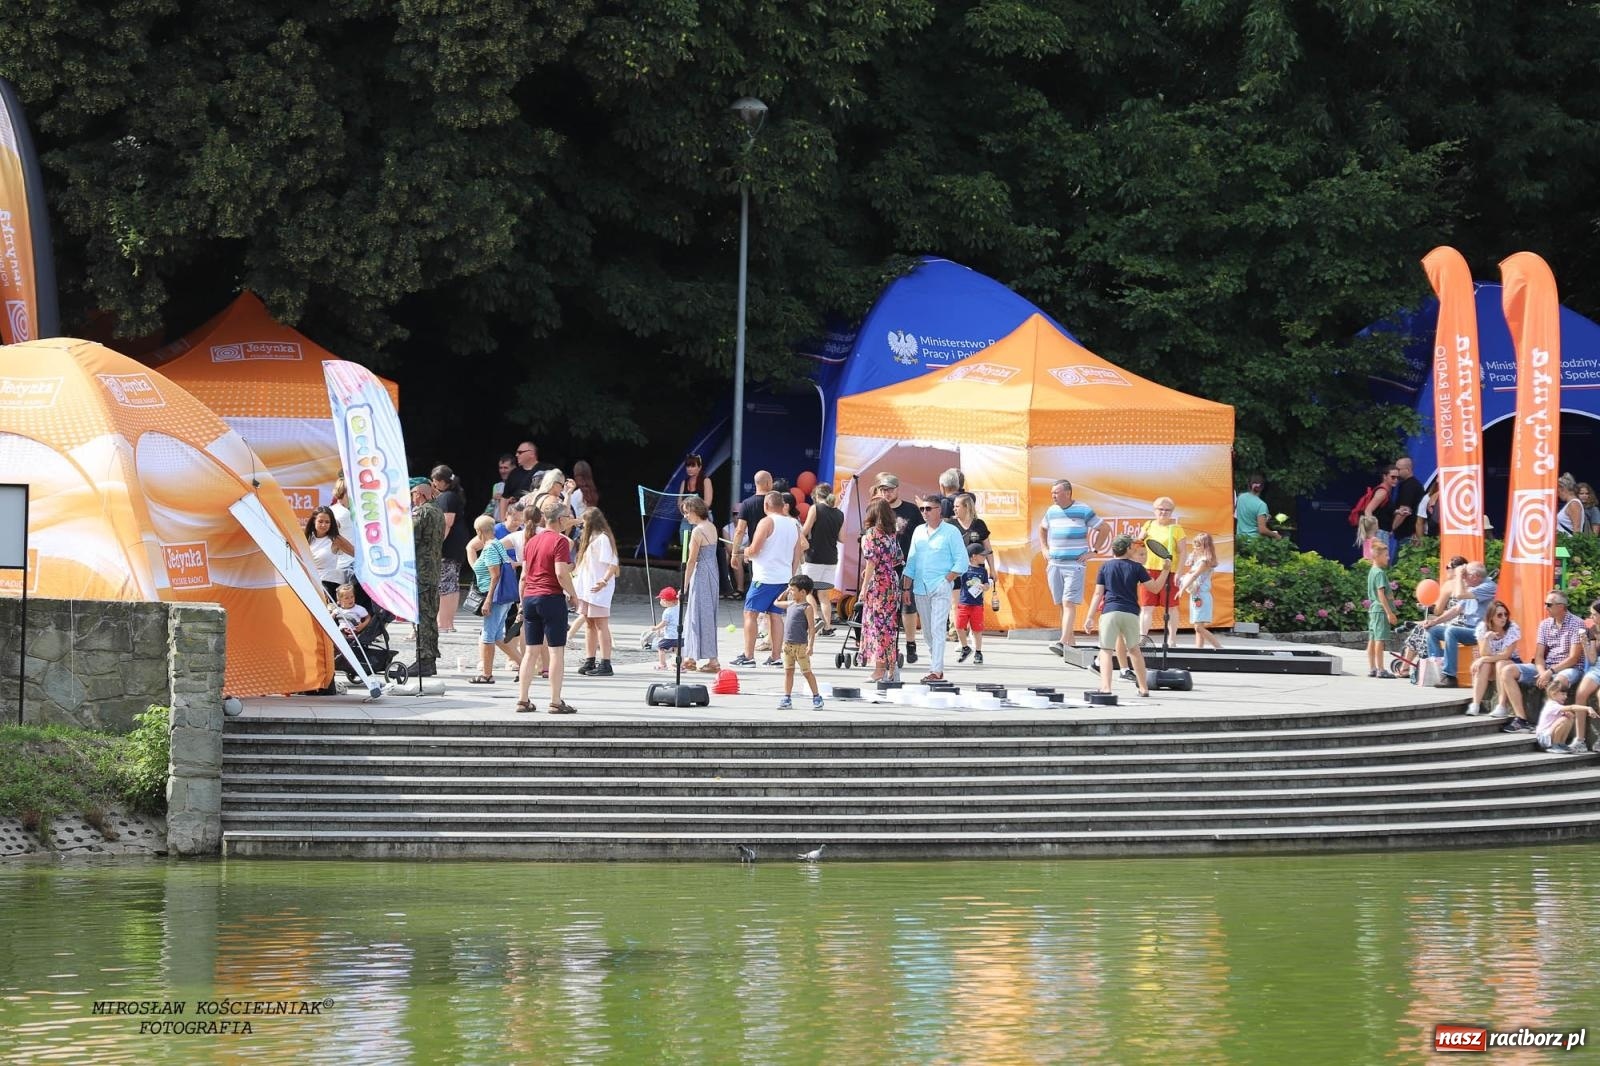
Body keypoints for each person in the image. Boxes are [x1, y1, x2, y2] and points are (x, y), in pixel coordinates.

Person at [1084, 535, 1170, 697]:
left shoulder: (1105, 566)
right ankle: (1143, 688)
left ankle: (1106, 687)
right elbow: (1155, 588)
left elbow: (1097, 594)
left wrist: (1089, 617)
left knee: (1106, 651)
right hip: (1130, 613)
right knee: (1134, 650)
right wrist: (1165, 570)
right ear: (1129, 549)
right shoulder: (1137, 568)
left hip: (1110, 612)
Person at [516, 499, 580, 714]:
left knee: (531, 652)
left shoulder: (531, 541)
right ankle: (555, 700)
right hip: (550, 597)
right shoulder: (560, 541)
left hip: (530, 598)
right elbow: (561, 572)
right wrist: (573, 594)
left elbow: (524, 576)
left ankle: (523, 699)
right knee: (555, 652)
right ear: (561, 519)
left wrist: (522, 602)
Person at [1493, 590, 1587, 732]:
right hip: (1547, 667)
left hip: (1569, 668)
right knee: (1507, 671)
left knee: (1558, 682)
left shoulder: (1577, 624)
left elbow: (1574, 658)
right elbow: (1539, 655)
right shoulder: (1545, 624)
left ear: (1561, 606)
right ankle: (1521, 719)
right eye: (1545, 604)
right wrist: (1542, 671)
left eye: (1549, 604)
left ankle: (1551, 727)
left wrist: (1550, 672)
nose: (1546, 607)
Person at [732, 490, 805, 667]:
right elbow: (797, 554)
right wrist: (791, 575)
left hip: (765, 577)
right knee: (776, 615)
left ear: (766, 505)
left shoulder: (766, 522)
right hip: (784, 576)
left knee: (750, 613)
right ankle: (775, 656)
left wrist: (745, 552)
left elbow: (755, 549)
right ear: (783, 505)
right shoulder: (794, 524)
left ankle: (748, 656)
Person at [902, 493, 966, 683]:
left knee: (938, 629)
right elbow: (911, 562)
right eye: (922, 509)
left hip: (940, 586)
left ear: (940, 510)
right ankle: (935, 663)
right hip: (920, 588)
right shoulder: (918, 531)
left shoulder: (951, 532)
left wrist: (947, 579)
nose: (924, 512)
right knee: (928, 632)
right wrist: (906, 588)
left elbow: (961, 560)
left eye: (928, 508)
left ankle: (936, 670)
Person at [1039, 479, 1104, 654]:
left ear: (1068, 493)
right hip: (1054, 564)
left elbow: (1104, 529)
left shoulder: (1083, 509)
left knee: (1068, 602)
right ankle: (1070, 642)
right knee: (1061, 603)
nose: (1053, 496)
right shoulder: (1051, 511)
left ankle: (1061, 641)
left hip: (1074, 565)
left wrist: (1093, 551)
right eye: (1052, 492)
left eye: (1056, 492)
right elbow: (1042, 529)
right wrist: (1044, 548)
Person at [873, 473, 924, 662]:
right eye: (883, 490)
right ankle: (886, 645)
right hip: (883, 566)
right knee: (885, 608)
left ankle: (911, 644)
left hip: (907, 565)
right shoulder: (877, 509)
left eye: (889, 489)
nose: (886, 493)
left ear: (897, 489)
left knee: (908, 606)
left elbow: (922, 535)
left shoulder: (911, 510)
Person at [1422, 560, 1496, 688]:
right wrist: (1434, 622)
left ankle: (1450, 676)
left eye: (1465, 575)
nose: (1463, 578)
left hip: (1481, 632)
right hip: (1468, 628)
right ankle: (1438, 671)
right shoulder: (1472, 587)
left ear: (1475, 577)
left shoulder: (1488, 586)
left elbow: (1459, 595)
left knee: (1451, 631)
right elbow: (1456, 610)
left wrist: (1458, 576)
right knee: (1433, 630)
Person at [465, 514, 517, 684]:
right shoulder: (498, 545)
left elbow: (495, 575)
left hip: (494, 597)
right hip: (503, 597)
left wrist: (488, 600)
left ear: (479, 531)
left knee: (487, 636)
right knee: (498, 636)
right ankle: (526, 665)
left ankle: (487, 674)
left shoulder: (489, 548)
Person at [858, 499, 904, 683]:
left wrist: (864, 586)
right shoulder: (891, 535)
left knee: (876, 626)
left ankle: (879, 670)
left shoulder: (871, 534)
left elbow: (871, 561)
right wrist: (885, 567)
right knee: (889, 627)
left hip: (878, 584)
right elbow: (899, 558)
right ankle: (892, 668)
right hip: (891, 581)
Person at [572, 507, 620, 677]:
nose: (582, 526)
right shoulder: (590, 539)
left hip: (598, 588)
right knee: (589, 624)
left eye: (584, 523)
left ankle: (605, 662)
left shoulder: (602, 539)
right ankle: (590, 659)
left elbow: (612, 563)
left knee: (600, 624)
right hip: (586, 588)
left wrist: (604, 580)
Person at [678, 495, 720, 673]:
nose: (686, 516)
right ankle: (693, 657)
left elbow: (692, 560)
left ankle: (707, 659)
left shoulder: (697, 531)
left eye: (687, 512)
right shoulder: (711, 526)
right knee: (707, 614)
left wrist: (684, 586)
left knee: (696, 615)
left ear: (695, 511)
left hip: (702, 573)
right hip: (713, 572)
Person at [409, 478, 444, 677]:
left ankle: (424, 660)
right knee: (430, 615)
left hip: (421, 571)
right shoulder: (437, 511)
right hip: (432, 570)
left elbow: (410, 539)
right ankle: (429, 659)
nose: (412, 499)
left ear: (419, 494)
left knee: (422, 616)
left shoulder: (421, 512)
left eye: (413, 494)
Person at [1139, 497, 1186, 645]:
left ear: (1172, 512)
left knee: (1171, 607)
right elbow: (1137, 545)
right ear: (1155, 510)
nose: (1163, 512)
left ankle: (1172, 640)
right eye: (1160, 509)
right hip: (1148, 570)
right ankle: (1142, 638)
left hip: (1169, 571)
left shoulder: (1176, 529)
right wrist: (1140, 538)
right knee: (1147, 606)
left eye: (1167, 510)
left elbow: (1183, 552)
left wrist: (1179, 571)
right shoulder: (1148, 525)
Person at [799, 482, 845, 632]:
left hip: (814, 556)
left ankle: (816, 617)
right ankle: (827, 626)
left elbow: (805, 530)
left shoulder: (815, 508)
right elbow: (842, 538)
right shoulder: (839, 513)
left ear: (817, 496)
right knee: (824, 595)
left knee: (806, 591)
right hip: (831, 558)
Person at [431, 465, 470, 634]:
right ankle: (448, 622)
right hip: (458, 543)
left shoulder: (446, 497)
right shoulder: (452, 496)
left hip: (449, 545)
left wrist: (436, 544)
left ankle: (444, 622)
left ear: (440, 482)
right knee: (451, 583)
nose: (433, 484)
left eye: (434, 481)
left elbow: (446, 523)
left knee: (445, 583)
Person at [775, 574, 823, 709]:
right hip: (787, 645)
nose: (791, 592)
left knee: (807, 672)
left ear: (802, 592)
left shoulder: (807, 608)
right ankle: (787, 697)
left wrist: (811, 645)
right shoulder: (790, 604)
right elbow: (776, 603)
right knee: (788, 671)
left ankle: (816, 696)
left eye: (793, 590)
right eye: (790, 590)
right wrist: (785, 591)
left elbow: (812, 629)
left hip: (801, 646)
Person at [1466, 600, 1520, 717]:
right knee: (1483, 665)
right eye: (1499, 615)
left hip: (1510, 662)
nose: (1504, 618)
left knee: (1500, 663)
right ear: (1491, 617)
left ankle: (1501, 706)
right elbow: (1484, 653)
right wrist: (1486, 639)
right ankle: (1475, 704)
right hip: (1491, 663)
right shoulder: (1483, 628)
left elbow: (1506, 655)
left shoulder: (1512, 628)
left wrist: (1482, 659)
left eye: (1505, 614)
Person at [729, 469, 774, 597]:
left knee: (757, 583)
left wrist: (734, 553)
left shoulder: (747, 503)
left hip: (755, 549)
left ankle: (758, 611)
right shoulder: (777, 502)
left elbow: (739, 530)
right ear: (767, 483)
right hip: (775, 548)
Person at [1178, 531, 1222, 650]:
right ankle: (1199, 649)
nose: (1195, 547)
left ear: (1206, 546)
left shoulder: (1205, 561)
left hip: (1202, 595)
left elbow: (1194, 576)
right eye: (1195, 544)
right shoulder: (1199, 559)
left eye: (1198, 545)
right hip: (1196, 595)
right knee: (1198, 625)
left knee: (1198, 627)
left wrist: (1182, 588)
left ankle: (1219, 647)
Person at [954, 542, 996, 665]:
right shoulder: (963, 569)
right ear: (973, 556)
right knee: (959, 626)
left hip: (977, 604)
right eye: (982, 555)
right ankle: (965, 647)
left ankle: (978, 651)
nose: (984, 557)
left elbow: (987, 584)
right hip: (964, 602)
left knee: (977, 629)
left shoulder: (983, 571)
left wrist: (986, 586)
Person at [304, 506, 355, 600]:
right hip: (310, 583)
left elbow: (356, 554)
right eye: (320, 521)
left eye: (327, 522)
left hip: (328, 584)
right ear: (314, 521)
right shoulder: (307, 538)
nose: (324, 525)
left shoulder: (335, 539)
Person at [1532, 674, 1591, 755]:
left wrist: (1569, 715)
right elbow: (1572, 707)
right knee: (1563, 720)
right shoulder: (1552, 705)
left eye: (1566, 694)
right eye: (1563, 694)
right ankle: (1555, 745)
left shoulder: (1557, 705)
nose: (1565, 697)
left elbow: (1571, 715)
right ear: (1553, 694)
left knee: (1568, 718)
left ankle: (1561, 744)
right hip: (1543, 738)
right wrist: (1587, 708)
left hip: (1548, 735)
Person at [1366, 539, 1398, 679]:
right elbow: (1381, 594)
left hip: (1374, 609)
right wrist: (1389, 613)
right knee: (1380, 639)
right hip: (1380, 610)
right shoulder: (1379, 573)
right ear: (1377, 556)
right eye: (1385, 555)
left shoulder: (1372, 571)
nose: (1388, 557)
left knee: (1372, 638)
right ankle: (1380, 669)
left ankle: (1372, 667)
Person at [499, 441, 550, 521]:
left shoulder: (548, 469)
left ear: (532, 454)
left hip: (539, 519)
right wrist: (503, 522)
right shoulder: (514, 473)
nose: (516, 455)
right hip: (516, 520)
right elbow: (504, 498)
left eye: (520, 452)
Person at [1362, 464, 1401, 556]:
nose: (1396, 480)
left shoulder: (1386, 491)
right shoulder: (1383, 491)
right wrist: (1373, 533)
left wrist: (1397, 511)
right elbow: (1368, 510)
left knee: (1377, 562)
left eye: (1397, 478)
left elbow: (1382, 510)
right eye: (1393, 477)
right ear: (1384, 476)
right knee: (1379, 562)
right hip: (1379, 532)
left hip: (1381, 532)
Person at [677, 453, 713, 542]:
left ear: (699, 467)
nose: (689, 469)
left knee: (699, 546)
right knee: (685, 543)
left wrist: (693, 510)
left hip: (702, 517)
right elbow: (679, 503)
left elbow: (707, 503)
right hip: (687, 517)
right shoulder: (684, 483)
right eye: (688, 466)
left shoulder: (706, 481)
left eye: (693, 466)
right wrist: (686, 512)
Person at [1390, 457, 1424, 547]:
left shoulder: (1410, 486)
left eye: (1398, 469)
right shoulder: (1407, 485)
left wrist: (1391, 528)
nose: (1396, 472)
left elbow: (1405, 511)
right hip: (1406, 534)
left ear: (1408, 469)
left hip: (1408, 535)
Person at [1234, 474, 1280, 540]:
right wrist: (1276, 535)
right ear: (1262, 487)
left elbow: (1244, 517)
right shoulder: (1261, 505)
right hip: (1254, 543)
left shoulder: (1240, 498)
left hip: (1241, 540)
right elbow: (1262, 530)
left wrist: (1264, 519)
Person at [648, 586, 681, 670]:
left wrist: (655, 628)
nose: (660, 601)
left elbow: (664, 623)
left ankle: (662, 664)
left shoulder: (667, 612)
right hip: (680, 634)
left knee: (660, 647)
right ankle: (680, 666)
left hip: (670, 636)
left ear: (666, 601)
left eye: (661, 599)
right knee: (678, 650)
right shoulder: (678, 608)